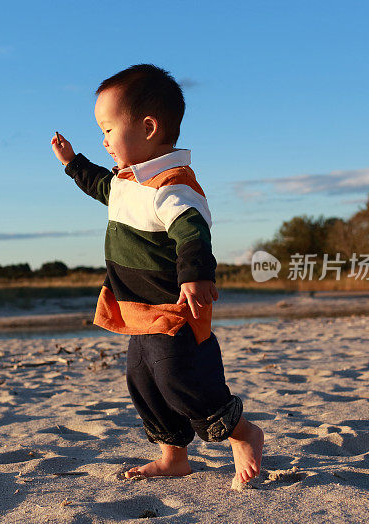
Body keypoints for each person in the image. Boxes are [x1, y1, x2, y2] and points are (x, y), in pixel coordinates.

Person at [50, 64, 264, 484]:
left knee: (181, 381)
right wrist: (75, 163)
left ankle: (242, 433)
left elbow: (191, 228)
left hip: (174, 309)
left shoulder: (171, 185)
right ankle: (174, 456)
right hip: (138, 310)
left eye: (108, 129)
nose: (104, 139)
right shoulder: (126, 182)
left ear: (148, 128)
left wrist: (196, 274)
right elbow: (98, 185)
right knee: (144, 382)